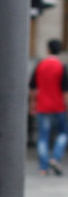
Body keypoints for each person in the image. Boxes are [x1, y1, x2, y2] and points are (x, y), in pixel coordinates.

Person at [30, 39, 67, 176]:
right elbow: (65, 91)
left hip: (42, 106)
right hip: (58, 106)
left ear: (48, 50)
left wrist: (32, 104)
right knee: (63, 134)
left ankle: (43, 167)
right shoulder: (61, 67)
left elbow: (33, 88)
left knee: (43, 137)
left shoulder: (40, 65)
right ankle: (55, 158)